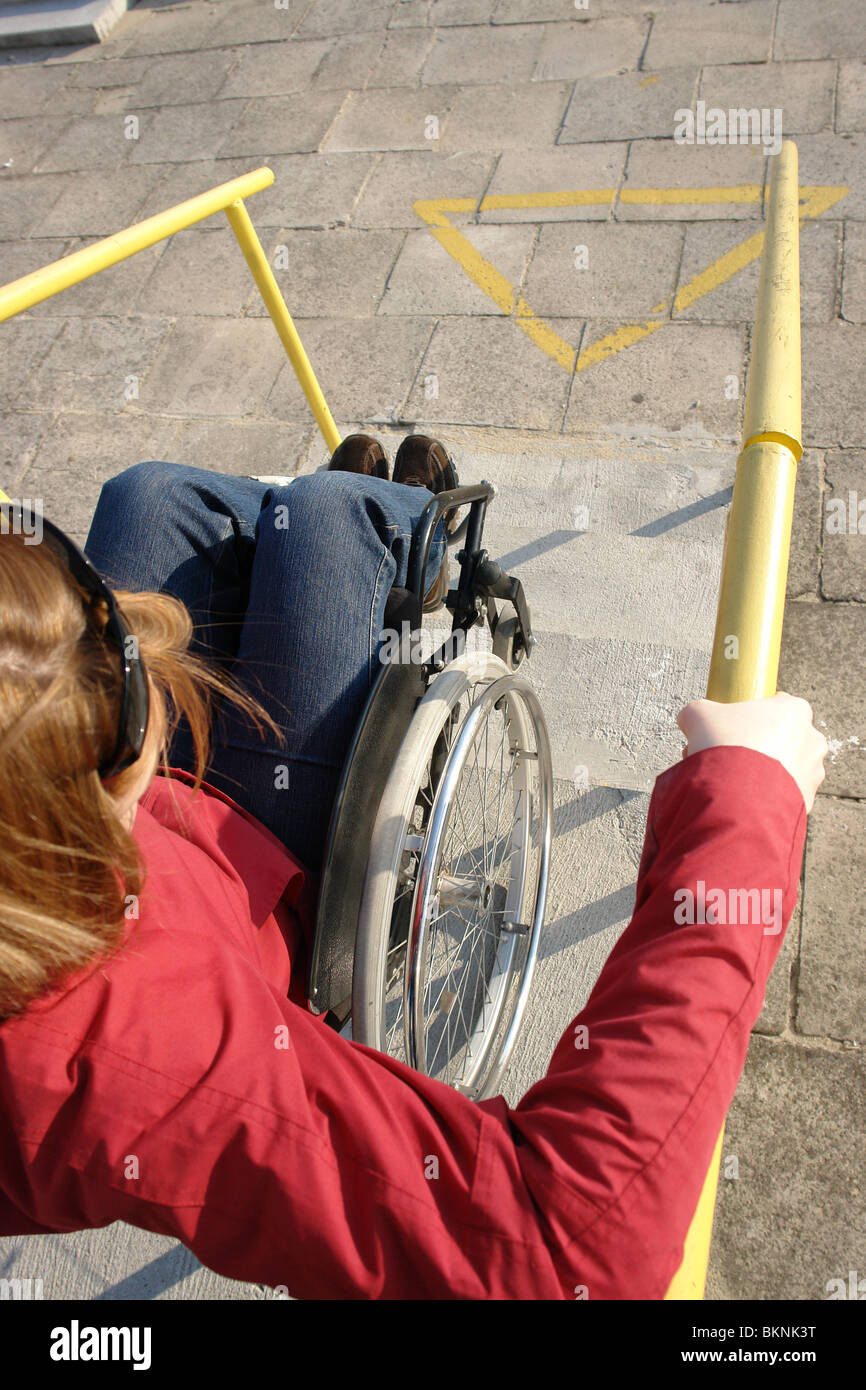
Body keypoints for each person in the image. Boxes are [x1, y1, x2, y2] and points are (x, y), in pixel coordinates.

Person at [0, 435, 828, 1300]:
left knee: (154, 492)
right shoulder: (113, 1051)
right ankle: (375, 538)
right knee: (331, 515)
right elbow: (565, 1253)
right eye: (126, 708)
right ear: (90, 788)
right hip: (257, 873)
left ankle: (317, 544)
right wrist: (745, 802)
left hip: (157, 829)